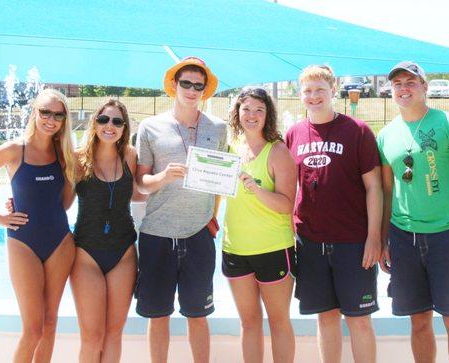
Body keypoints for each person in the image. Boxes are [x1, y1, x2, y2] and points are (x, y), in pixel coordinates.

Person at [377, 61, 449, 363]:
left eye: (411, 82)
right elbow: (386, 191)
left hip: (447, 237)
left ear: (425, 87)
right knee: (419, 321)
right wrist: (384, 239)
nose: (404, 88)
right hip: (404, 238)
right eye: (398, 83)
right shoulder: (385, 136)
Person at [0, 89, 76, 362]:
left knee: (49, 325)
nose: (51, 119)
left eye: (58, 114)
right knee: (32, 330)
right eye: (45, 112)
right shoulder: (14, 150)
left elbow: (64, 204)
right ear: (34, 112)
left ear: (64, 119)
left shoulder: (64, 155)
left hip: (60, 241)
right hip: (23, 242)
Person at [284, 65, 382, 363]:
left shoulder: (357, 131)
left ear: (332, 91)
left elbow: (374, 187)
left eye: (320, 90)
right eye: (308, 91)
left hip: (352, 243)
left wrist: (374, 237)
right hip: (311, 243)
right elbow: (289, 190)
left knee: (359, 320)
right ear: (301, 95)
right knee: (325, 318)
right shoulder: (294, 134)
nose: (314, 96)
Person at [134, 56, 227, 363]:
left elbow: (220, 182)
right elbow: (141, 184)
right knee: (158, 316)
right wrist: (163, 177)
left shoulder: (218, 128)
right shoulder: (150, 127)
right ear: (174, 85)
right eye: (186, 83)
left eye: (198, 85)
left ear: (205, 90)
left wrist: (212, 216)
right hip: (157, 234)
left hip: (198, 235)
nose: (191, 90)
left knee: (198, 316)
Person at [223, 87, 297, 363]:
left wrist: (257, 190)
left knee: (279, 322)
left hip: (273, 249)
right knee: (249, 323)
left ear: (268, 115)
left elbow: (287, 204)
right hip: (235, 249)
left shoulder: (278, 152)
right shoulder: (230, 148)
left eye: (259, 110)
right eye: (246, 109)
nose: (252, 115)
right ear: (237, 113)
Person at [68, 99, 139, 362]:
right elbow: (62, 200)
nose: (110, 126)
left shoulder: (130, 155)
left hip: (123, 253)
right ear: (94, 123)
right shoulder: (78, 158)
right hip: (87, 253)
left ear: (124, 128)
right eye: (104, 120)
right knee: (92, 337)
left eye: (117, 121)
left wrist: (167, 182)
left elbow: (137, 193)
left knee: (113, 334)